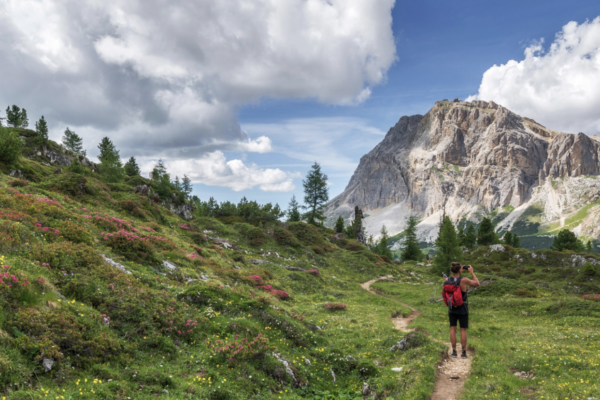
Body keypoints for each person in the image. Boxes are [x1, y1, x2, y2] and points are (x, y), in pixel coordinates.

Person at [446, 262, 479, 358]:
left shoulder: (448, 279)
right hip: (462, 307)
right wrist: (472, 272)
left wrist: (459, 270)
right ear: (460, 270)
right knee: (463, 330)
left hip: (452, 308)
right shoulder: (463, 280)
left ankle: (454, 352)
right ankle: (464, 353)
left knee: (452, 328)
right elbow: (477, 283)